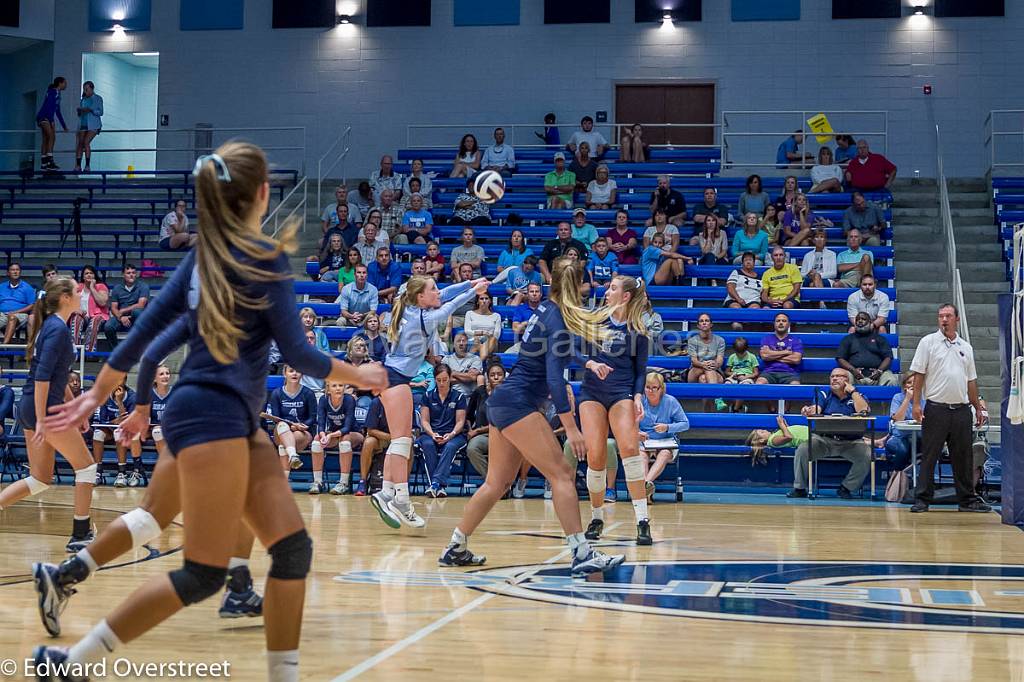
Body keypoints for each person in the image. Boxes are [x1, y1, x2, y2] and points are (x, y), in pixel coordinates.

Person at [34, 143, 387, 680]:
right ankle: (71, 663)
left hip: (223, 419)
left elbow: (143, 337)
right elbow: (298, 354)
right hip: (214, 418)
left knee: (291, 550)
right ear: (263, 194)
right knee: (203, 573)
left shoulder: (202, 256)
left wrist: (97, 394)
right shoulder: (264, 257)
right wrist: (360, 374)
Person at [32, 319, 266, 638]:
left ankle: (238, 586)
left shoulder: (206, 306)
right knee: (163, 517)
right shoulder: (247, 307)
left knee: (164, 514)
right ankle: (67, 589)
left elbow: (152, 354)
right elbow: (305, 357)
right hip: (215, 420)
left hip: (199, 415)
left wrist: (141, 408)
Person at [438, 257, 625, 575]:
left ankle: (456, 546)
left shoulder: (546, 312)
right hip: (519, 404)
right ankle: (581, 553)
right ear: (580, 286)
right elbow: (554, 378)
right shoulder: (560, 319)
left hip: (503, 402)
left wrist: (588, 363)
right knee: (563, 475)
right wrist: (571, 427)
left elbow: (553, 349)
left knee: (496, 483)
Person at [370, 273, 488, 529]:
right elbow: (451, 305)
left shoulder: (409, 302)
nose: (438, 291)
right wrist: (473, 291)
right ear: (421, 296)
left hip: (391, 375)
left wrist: (469, 283)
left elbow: (445, 295)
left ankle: (387, 493)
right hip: (396, 378)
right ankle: (400, 499)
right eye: (432, 289)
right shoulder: (425, 318)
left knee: (399, 442)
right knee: (402, 442)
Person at [0, 277, 94, 550]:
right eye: (77, 290)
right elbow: (42, 378)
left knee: (40, 479)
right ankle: (80, 535)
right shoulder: (56, 330)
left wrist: (76, 408)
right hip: (44, 410)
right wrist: (42, 420)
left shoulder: (52, 327)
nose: (80, 293)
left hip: (32, 407)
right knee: (87, 467)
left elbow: (59, 376)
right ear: (64, 297)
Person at [578, 276, 652, 544]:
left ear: (625, 296)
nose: (606, 291)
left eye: (612, 288)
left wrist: (638, 397)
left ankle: (642, 520)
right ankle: (596, 517)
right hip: (592, 392)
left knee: (630, 451)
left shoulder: (638, 331)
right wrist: (590, 365)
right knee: (596, 456)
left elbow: (640, 371)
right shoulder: (595, 321)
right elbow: (577, 353)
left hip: (621, 391)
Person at [907, 304, 989, 513]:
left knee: (963, 457)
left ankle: (967, 500)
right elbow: (919, 374)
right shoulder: (928, 343)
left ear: (957, 319)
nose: (944, 319)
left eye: (948, 316)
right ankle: (922, 499)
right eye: (941, 316)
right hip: (936, 409)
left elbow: (971, 381)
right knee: (930, 455)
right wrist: (916, 404)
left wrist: (977, 407)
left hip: (962, 410)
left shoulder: (966, 347)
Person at [788, 368, 872, 499]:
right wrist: (809, 410)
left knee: (868, 455)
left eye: (839, 376)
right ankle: (800, 488)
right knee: (803, 449)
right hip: (824, 440)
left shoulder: (858, 396)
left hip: (851, 442)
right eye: (832, 376)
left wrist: (853, 392)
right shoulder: (824, 393)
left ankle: (846, 487)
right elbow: (817, 408)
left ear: (848, 380)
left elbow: (864, 411)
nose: (834, 379)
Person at [417, 364, 468, 498]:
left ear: (450, 378)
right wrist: (432, 434)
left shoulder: (459, 397)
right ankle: (439, 486)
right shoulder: (427, 396)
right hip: (431, 433)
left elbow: (460, 422)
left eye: (444, 380)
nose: (441, 383)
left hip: (454, 434)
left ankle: (434, 484)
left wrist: (451, 434)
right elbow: (424, 421)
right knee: (427, 444)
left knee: (450, 446)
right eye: (438, 380)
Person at [638, 372, 690, 499]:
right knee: (641, 455)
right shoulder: (639, 401)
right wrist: (637, 433)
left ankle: (645, 485)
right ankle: (646, 491)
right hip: (645, 441)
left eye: (654, 387)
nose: (650, 391)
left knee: (665, 454)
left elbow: (685, 424)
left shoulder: (670, 401)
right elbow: (629, 423)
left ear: (661, 388)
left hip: (665, 441)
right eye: (647, 387)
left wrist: (668, 427)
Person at [310, 380, 363, 495]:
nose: (338, 388)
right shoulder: (323, 400)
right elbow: (321, 424)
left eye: (341, 385)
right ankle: (318, 482)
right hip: (335, 434)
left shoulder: (349, 400)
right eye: (334, 386)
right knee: (316, 441)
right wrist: (323, 435)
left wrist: (330, 435)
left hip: (355, 434)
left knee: (345, 440)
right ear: (328, 389)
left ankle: (343, 483)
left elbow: (347, 428)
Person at [267, 365, 318, 474]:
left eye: (298, 371)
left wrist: (301, 426)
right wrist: (292, 426)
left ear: (302, 374)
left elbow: (312, 418)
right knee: (282, 425)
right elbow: (276, 419)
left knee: (283, 446)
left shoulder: (309, 393)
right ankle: (293, 455)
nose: (294, 374)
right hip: (281, 431)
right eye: (291, 371)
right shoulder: (276, 393)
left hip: (303, 432)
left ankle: (285, 480)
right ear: (284, 374)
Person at [92, 381, 143, 487]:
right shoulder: (105, 396)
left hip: (127, 431)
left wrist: (119, 402)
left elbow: (129, 422)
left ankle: (122, 473)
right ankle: (98, 473)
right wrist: (114, 422)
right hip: (109, 427)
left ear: (124, 382)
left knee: (118, 433)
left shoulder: (132, 397)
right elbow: (101, 420)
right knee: (97, 434)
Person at [464, 361, 506, 479]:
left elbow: (501, 422)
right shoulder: (480, 392)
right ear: (488, 377)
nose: (496, 377)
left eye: (499, 374)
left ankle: (503, 483)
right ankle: (493, 482)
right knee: (472, 448)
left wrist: (477, 431)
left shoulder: (509, 394)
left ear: (504, 376)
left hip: (503, 435)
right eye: (492, 375)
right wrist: (470, 429)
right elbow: (468, 415)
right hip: (484, 437)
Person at [838, 312, 898, 387]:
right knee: (844, 378)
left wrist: (879, 371)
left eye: (863, 319)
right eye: (857, 319)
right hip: (854, 376)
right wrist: (853, 370)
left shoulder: (880, 339)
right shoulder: (848, 339)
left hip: (878, 376)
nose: (860, 321)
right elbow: (841, 358)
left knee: (891, 380)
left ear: (870, 322)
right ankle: (849, 399)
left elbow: (888, 357)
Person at [103, 264, 150, 350]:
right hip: (122, 317)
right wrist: (121, 317)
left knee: (137, 311)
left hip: (137, 316)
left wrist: (123, 311)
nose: (131, 275)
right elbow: (113, 308)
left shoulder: (143, 286)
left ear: (136, 274)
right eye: (128, 273)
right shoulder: (117, 288)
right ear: (123, 275)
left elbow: (141, 305)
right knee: (108, 326)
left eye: (133, 273)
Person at [67, 264, 109, 352]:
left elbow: (102, 302)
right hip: (82, 316)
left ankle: (89, 352)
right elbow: (68, 302)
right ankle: (75, 351)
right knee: (76, 319)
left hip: (98, 316)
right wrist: (75, 310)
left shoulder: (101, 286)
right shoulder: (78, 287)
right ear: (83, 276)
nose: (89, 275)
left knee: (95, 320)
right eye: (86, 273)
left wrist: (92, 288)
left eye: (91, 273)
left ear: (95, 275)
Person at [884, 375, 920, 470]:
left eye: (915, 382)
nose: (912, 384)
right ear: (904, 386)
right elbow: (898, 419)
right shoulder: (898, 398)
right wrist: (907, 399)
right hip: (899, 437)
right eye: (909, 382)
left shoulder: (925, 398)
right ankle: (898, 475)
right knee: (902, 449)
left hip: (920, 437)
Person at [756, 313, 802, 385]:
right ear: (774, 324)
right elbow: (764, 356)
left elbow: (796, 360)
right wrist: (786, 352)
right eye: (778, 321)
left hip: (789, 373)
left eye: (784, 321)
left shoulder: (796, 340)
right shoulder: (766, 339)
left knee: (795, 385)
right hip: (769, 372)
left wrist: (771, 354)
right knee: (759, 383)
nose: (781, 323)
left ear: (789, 324)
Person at [36, 76, 68, 171]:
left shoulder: (58, 94)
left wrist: (64, 126)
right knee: (51, 136)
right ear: (60, 83)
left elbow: (58, 111)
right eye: (65, 83)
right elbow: (49, 107)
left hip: (47, 118)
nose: (66, 85)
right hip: (43, 117)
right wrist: (51, 120)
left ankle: (44, 163)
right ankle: (50, 161)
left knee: (46, 138)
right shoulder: (52, 92)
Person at [687, 313, 725, 390]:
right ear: (698, 325)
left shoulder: (720, 340)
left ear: (711, 324)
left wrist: (715, 364)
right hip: (695, 370)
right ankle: (717, 398)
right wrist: (703, 365)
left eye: (706, 321)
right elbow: (694, 361)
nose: (704, 323)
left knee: (703, 379)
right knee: (708, 368)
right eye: (701, 321)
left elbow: (720, 359)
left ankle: (714, 397)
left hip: (715, 370)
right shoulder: (692, 340)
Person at [1, 262, 36, 344]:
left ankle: (4, 346)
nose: (15, 272)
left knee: (12, 317)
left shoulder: (27, 288)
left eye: (17, 270)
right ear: (8, 273)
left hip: (20, 314)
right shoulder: (1, 287)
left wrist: (15, 312)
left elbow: (32, 305)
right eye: (13, 270)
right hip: (2, 314)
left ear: (20, 272)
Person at [723, 337, 759, 412]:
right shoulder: (732, 357)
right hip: (734, 376)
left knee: (745, 387)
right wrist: (732, 374)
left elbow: (756, 373)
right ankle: (739, 405)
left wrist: (746, 377)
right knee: (727, 385)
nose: (740, 355)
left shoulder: (752, 357)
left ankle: (735, 409)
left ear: (746, 349)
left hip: (747, 377)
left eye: (742, 353)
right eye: (737, 353)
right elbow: (726, 371)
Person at [74, 80, 103, 173]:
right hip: (83, 123)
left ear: (92, 89)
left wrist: (90, 110)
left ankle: (87, 165)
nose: (85, 91)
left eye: (87, 89)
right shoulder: (83, 100)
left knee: (86, 142)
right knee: (80, 143)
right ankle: (78, 166)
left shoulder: (98, 98)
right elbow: (80, 114)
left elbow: (101, 112)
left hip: (93, 124)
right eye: (84, 89)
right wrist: (80, 111)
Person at [464, 292, 502, 361]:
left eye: (486, 298)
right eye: (481, 299)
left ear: (490, 301)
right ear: (477, 301)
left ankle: (476, 363)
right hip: (474, 340)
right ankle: (481, 362)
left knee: (492, 339)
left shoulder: (496, 316)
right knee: (478, 342)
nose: (484, 301)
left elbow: (496, 334)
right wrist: (482, 333)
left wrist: (486, 336)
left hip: (491, 341)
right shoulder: (469, 313)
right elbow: (467, 331)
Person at [444, 331, 484, 396]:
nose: (461, 343)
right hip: (451, 397)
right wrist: (466, 376)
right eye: (458, 341)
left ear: (467, 343)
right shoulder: (446, 359)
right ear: (453, 344)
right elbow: (443, 379)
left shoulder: (475, 359)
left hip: (470, 397)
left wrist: (453, 373)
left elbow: (472, 377)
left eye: (463, 341)